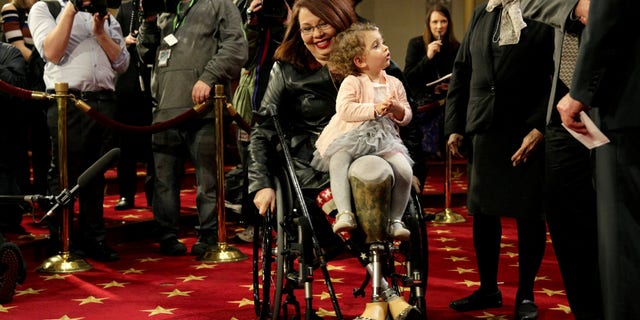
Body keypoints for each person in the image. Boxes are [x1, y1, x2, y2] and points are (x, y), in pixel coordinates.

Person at [526, 0, 640, 318]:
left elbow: (609, 10)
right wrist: (576, 6)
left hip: (609, 99)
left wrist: (581, 91)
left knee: (621, 240)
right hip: (568, 114)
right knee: (573, 228)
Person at [444, 1, 555, 319]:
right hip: (483, 127)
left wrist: (539, 127)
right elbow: (462, 70)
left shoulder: (542, 11)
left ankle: (525, 295)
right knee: (483, 212)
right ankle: (488, 289)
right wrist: (454, 126)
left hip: (525, 130)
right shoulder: (482, 12)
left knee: (529, 215)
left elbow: (558, 73)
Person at [137, 0, 247, 257]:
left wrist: (208, 77)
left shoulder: (219, 4)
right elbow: (145, 54)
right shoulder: (165, 8)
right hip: (165, 110)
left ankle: (209, 234)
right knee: (163, 182)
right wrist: (148, 22)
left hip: (204, 111)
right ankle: (166, 235)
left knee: (208, 180)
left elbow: (236, 48)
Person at [518, 1, 604, 319]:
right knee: (567, 222)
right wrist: (578, 5)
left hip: (615, 103)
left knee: (614, 221)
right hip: (564, 114)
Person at [28, 0, 129, 262]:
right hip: (67, 102)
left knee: (96, 175)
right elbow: (52, 52)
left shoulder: (106, 16)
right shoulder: (46, 8)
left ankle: (94, 239)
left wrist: (99, 32)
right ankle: (62, 240)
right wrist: (72, 8)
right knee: (64, 172)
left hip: (103, 102)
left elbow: (122, 63)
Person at [311, 22, 413, 240]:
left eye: (383, 42)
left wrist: (396, 109)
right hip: (353, 135)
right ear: (360, 61)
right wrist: (373, 109)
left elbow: (407, 115)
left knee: (404, 170)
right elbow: (345, 109)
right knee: (338, 160)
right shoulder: (353, 82)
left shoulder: (394, 83)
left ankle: (395, 219)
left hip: (383, 139)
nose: (385, 48)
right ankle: (345, 213)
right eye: (376, 45)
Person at [233, 0, 293, 243]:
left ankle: (289, 222)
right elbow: (242, 58)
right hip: (256, 99)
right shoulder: (248, 8)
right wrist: (251, 21)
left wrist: (293, 24)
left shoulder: (302, 10)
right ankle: (254, 222)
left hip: (291, 97)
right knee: (252, 162)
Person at [2, 0, 51, 199]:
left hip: (41, 79)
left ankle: (42, 189)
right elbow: (18, 47)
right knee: (19, 139)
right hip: (23, 79)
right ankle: (21, 192)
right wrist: (44, 64)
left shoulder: (41, 9)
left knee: (42, 139)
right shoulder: (10, 10)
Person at [113, 0, 154, 211]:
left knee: (154, 147)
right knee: (125, 146)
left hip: (153, 81)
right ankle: (125, 195)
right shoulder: (126, 9)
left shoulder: (160, 6)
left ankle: (153, 195)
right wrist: (124, 41)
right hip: (127, 83)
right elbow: (112, 40)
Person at [404, 4, 460, 159]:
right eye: (435, 22)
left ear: (449, 24)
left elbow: (461, 78)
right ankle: (430, 154)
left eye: (443, 22)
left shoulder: (456, 47)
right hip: (423, 99)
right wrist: (427, 56)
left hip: (447, 99)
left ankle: (447, 152)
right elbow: (408, 78)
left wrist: (449, 86)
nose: (439, 26)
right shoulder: (416, 44)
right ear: (428, 25)